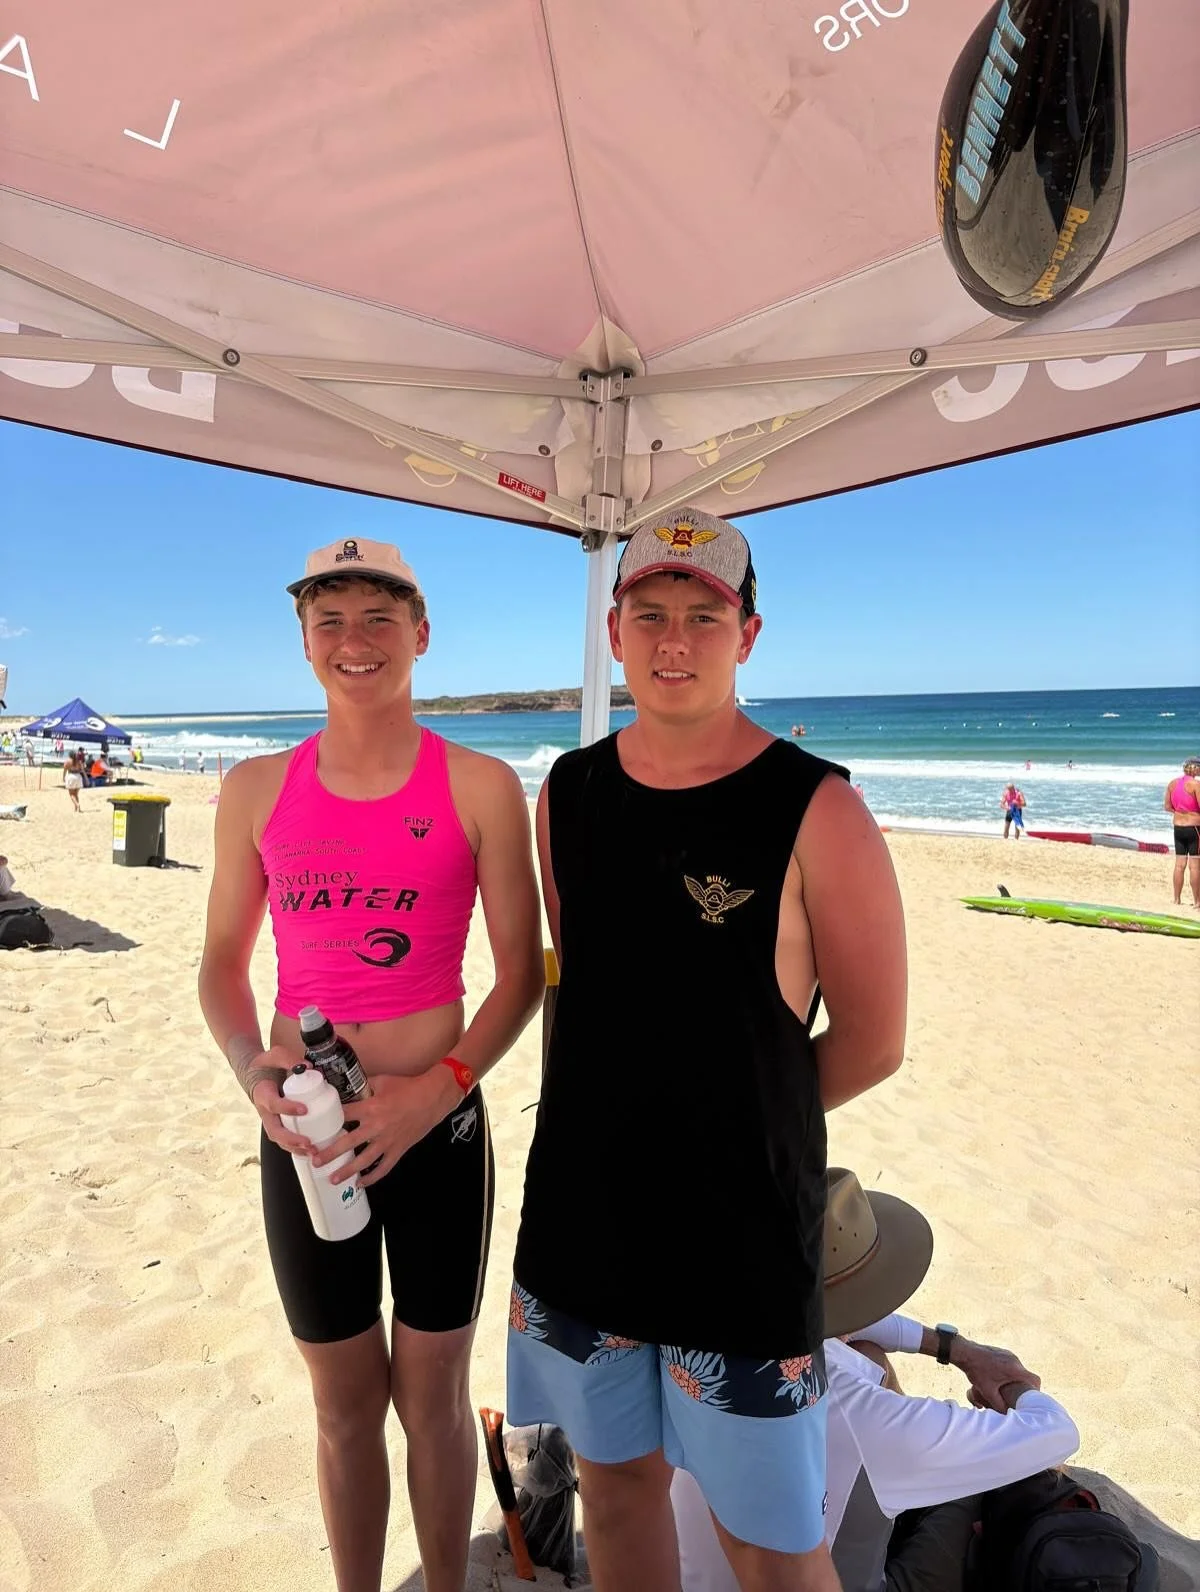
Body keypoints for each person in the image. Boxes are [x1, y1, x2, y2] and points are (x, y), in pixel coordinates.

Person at [509, 507, 907, 1592]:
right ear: (613, 628)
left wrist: (732, 1121)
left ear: (749, 633)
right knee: (617, 1488)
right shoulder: (568, 792)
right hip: (583, 1221)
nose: (673, 640)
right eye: (650, 614)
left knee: (773, 1542)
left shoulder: (818, 806)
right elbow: (588, 990)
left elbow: (873, 1042)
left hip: (738, 1243)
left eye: (702, 615)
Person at [197, 536, 544, 1592]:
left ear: (421, 635)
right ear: (304, 641)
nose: (356, 641)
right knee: (342, 1403)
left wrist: (434, 1089)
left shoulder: (481, 783)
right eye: (331, 619)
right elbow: (220, 964)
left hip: (438, 1124)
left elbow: (522, 973)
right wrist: (254, 1067)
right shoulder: (256, 789)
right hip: (307, 1137)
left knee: (431, 1396)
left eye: (379, 618)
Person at [672, 1168, 1081, 1592]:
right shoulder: (857, 1410)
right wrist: (1017, 1387)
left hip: (695, 1575)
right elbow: (1055, 1433)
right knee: (974, 1489)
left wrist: (955, 1349)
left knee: (870, 1358)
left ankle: (893, 1490)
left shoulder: (703, 1339)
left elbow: (866, 1327)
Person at [1163, 757, 1200, 908]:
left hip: (1178, 827)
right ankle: (1197, 902)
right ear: (1195, 768)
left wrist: (1181, 813)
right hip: (1195, 828)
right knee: (1195, 866)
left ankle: (1176, 899)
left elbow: (1167, 807)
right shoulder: (1196, 785)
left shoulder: (1172, 783)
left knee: (1179, 864)